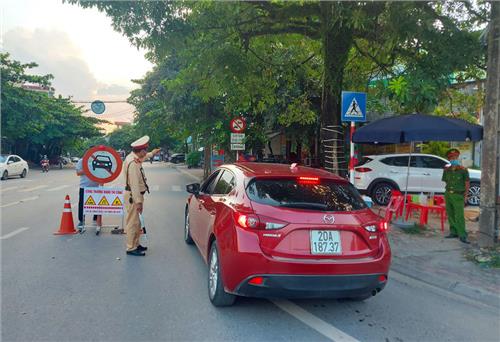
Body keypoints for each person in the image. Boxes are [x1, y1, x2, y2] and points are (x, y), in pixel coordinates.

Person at [123, 136, 160, 256]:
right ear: (140, 151)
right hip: (133, 197)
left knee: (137, 222)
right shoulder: (133, 163)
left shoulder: (134, 158)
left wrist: (152, 153)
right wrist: (138, 202)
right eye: (145, 151)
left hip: (135, 196)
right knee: (132, 222)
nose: (145, 153)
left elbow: (144, 157)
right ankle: (130, 247)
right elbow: (134, 184)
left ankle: (136, 244)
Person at [442, 148, 470, 244]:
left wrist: (466, 196)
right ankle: (453, 232)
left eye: (455, 157)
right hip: (448, 193)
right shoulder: (446, 170)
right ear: (449, 159)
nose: (453, 159)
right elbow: (446, 180)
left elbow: (467, 183)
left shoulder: (463, 170)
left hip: (458, 195)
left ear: (458, 158)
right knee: (450, 214)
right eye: (451, 158)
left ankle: (462, 234)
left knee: (459, 215)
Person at [76, 155, 102, 234]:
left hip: (96, 187)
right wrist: (88, 170)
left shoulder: (98, 160)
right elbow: (78, 173)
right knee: (82, 204)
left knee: (97, 204)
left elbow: (102, 172)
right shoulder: (82, 161)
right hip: (84, 186)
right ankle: (81, 220)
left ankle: (96, 218)